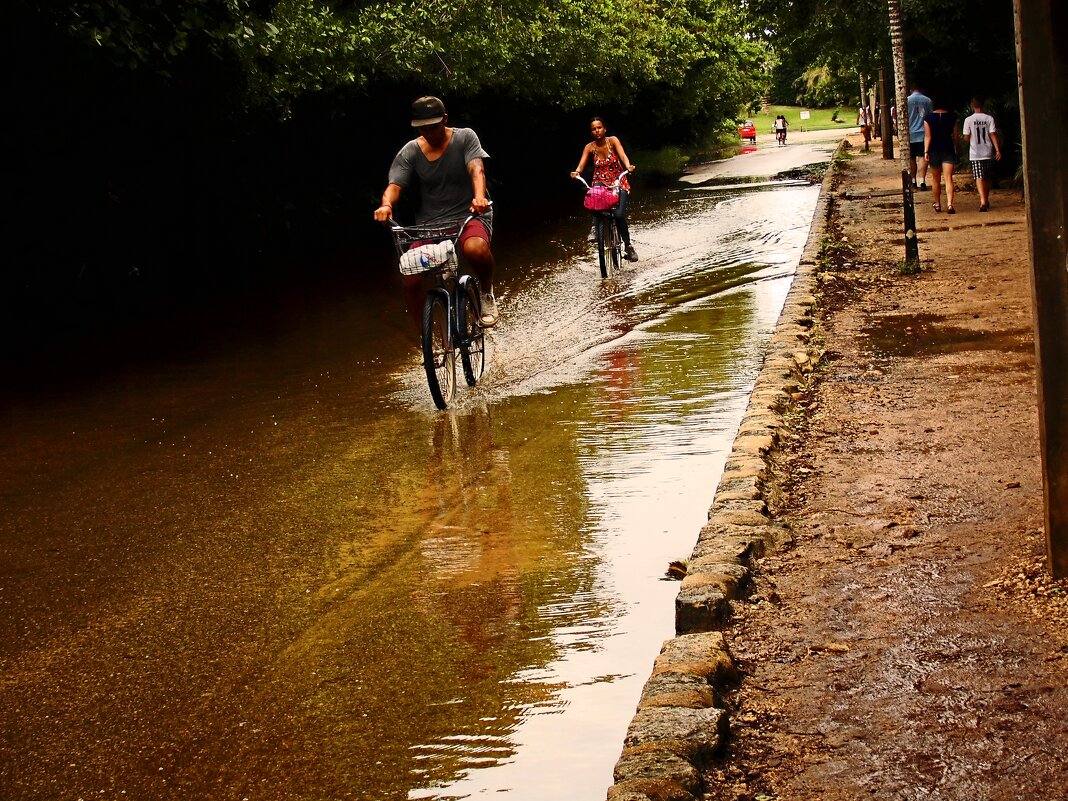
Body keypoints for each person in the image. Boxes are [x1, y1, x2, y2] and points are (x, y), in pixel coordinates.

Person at [374, 95, 499, 327]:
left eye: (433, 127)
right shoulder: (410, 151)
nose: (429, 134)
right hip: (430, 225)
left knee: (476, 249)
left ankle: (486, 293)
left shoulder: (465, 137)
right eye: (423, 129)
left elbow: (476, 169)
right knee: (409, 276)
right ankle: (429, 337)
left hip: (468, 215)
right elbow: (394, 186)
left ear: (445, 119)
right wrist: (386, 205)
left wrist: (479, 196)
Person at [570, 117, 638, 262]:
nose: (597, 131)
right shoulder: (589, 147)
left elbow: (623, 155)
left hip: (618, 181)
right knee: (593, 195)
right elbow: (581, 165)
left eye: (599, 127)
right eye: (594, 129)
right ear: (591, 132)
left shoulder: (612, 140)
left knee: (619, 215)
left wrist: (628, 166)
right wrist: (576, 172)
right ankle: (595, 228)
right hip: (600, 181)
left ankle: (628, 246)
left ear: (604, 128)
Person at [962, 96, 1002, 212]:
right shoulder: (989, 118)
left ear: (972, 105)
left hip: (975, 152)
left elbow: (966, 137)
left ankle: (982, 201)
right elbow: (993, 134)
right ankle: (986, 198)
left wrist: (969, 138)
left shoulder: (968, 120)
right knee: (987, 177)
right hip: (988, 151)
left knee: (978, 176)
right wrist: (997, 149)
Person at [922, 96, 959, 214]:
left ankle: (937, 204)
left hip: (934, 150)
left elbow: (928, 136)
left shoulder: (928, 118)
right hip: (948, 148)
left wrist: (926, 151)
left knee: (936, 179)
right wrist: (957, 148)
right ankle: (950, 204)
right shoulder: (952, 117)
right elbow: (956, 136)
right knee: (948, 178)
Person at [907, 87, 933, 190]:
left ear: (910, 90)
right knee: (923, 156)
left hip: (909, 133)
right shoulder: (927, 100)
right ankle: (922, 180)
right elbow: (931, 117)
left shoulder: (906, 101)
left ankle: (913, 180)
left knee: (911, 158)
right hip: (924, 134)